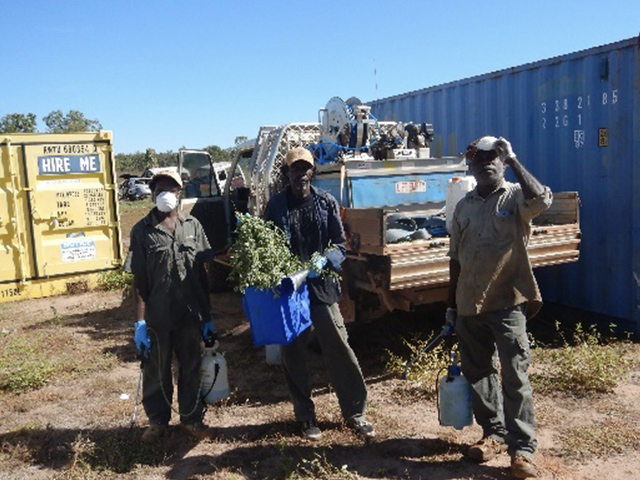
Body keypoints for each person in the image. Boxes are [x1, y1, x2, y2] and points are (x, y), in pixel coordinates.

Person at [446, 136, 552, 478]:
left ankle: (522, 450)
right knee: (478, 374)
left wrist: (516, 159)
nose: (486, 163)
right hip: (468, 304)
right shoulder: (463, 206)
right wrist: (451, 307)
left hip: (507, 303)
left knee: (515, 376)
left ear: (503, 161)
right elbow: (455, 260)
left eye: (493, 157)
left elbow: (541, 198)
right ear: (470, 166)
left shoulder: (516, 196)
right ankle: (492, 433)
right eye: (478, 158)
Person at [263, 147, 374, 441]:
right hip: (289, 292)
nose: (300, 173)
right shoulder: (275, 206)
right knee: (294, 353)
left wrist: (324, 261)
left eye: (305, 168)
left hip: (321, 287)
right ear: (287, 173)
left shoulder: (326, 202)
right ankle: (306, 416)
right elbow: (264, 245)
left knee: (339, 347)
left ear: (312, 171)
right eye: (295, 169)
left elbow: (340, 243)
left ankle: (355, 413)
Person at [128, 169, 216, 443]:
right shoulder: (141, 230)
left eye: (170, 187)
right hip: (158, 316)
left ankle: (191, 419)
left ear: (180, 192)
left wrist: (208, 317)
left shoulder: (192, 226)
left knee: (191, 367)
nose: (164, 192)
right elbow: (139, 280)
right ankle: (157, 422)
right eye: (159, 188)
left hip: (189, 315)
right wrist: (140, 322)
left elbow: (203, 275)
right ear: (153, 194)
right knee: (157, 370)